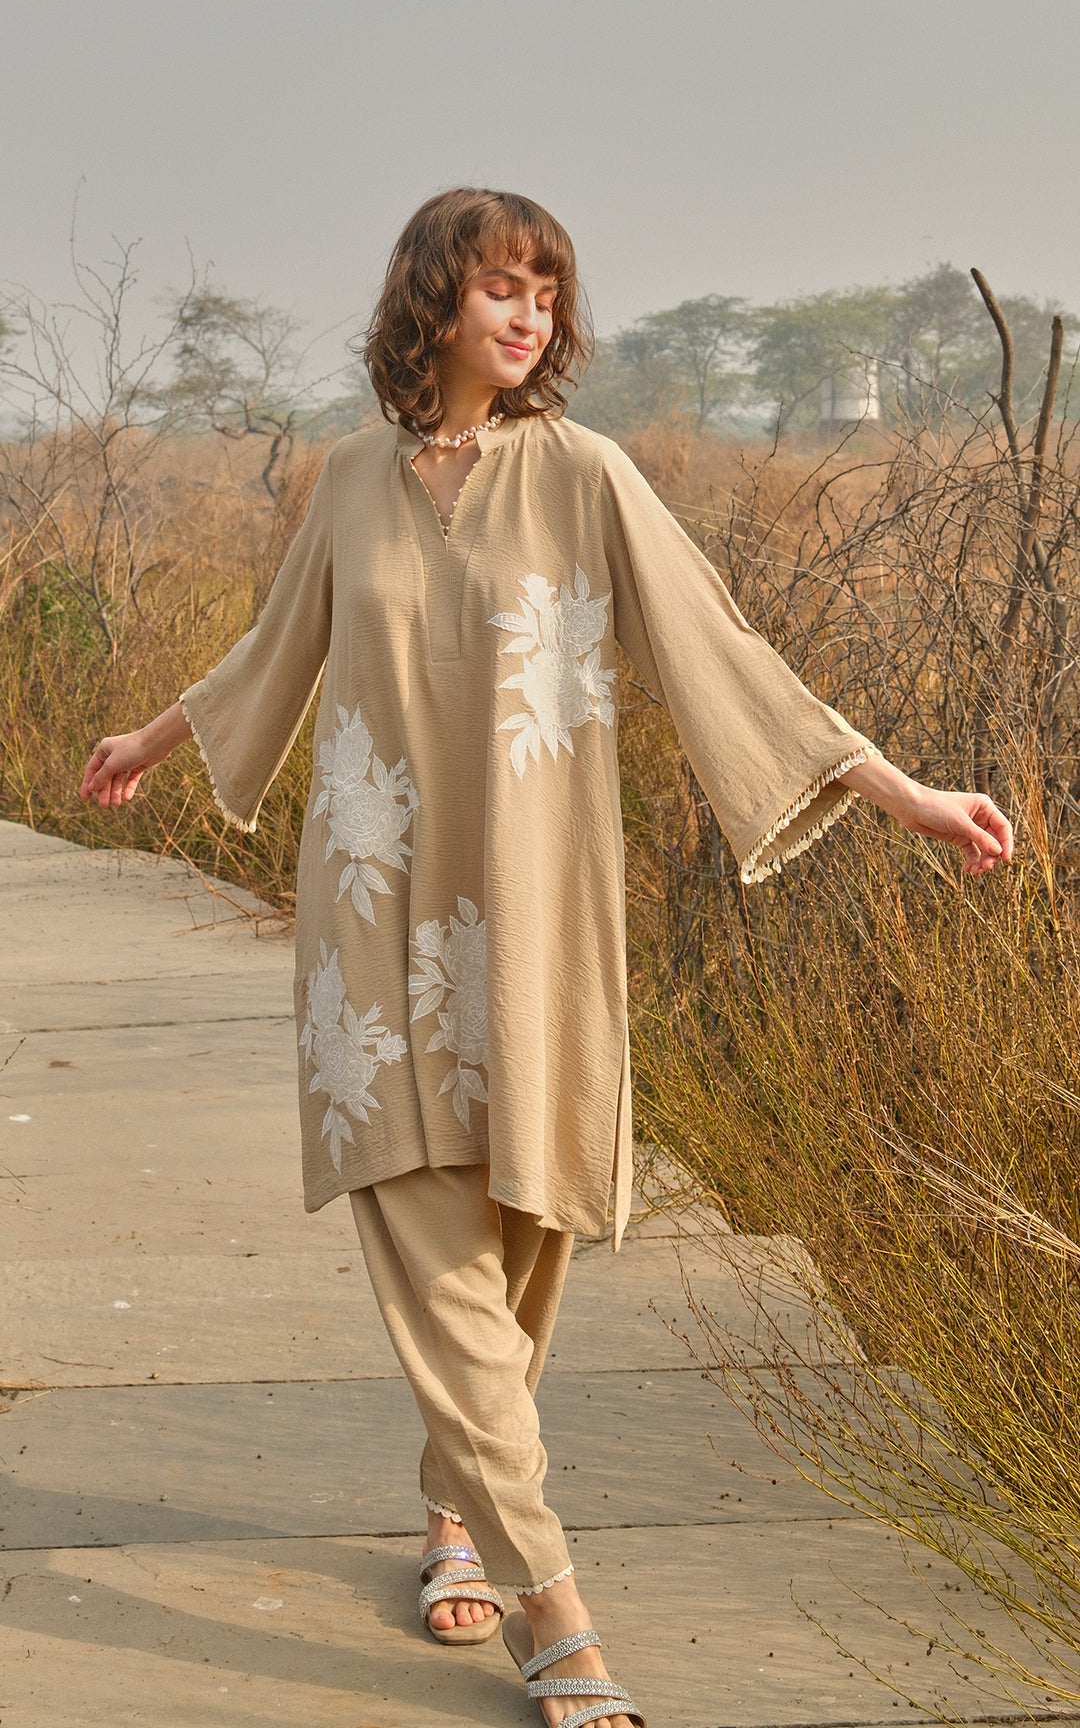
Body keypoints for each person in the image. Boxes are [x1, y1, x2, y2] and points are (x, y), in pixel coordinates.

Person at [80, 187, 1013, 1728]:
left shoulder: (584, 473)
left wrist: (901, 791)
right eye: (501, 288)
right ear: (432, 303)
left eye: (545, 292)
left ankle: (455, 1508)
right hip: (375, 910)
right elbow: (275, 649)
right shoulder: (350, 478)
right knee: (433, 1253)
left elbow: (719, 647)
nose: (529, 316)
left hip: (539, 914)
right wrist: (154, 734)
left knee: (522, 1245)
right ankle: (552, 1607)